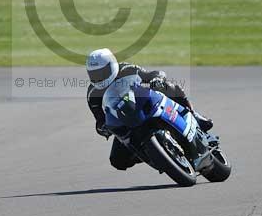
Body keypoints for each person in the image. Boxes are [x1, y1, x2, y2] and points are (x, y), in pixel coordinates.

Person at [85, 48, 213, 171]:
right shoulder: (92, 93)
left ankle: (193, 114)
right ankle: (151, 154)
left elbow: (152, 74)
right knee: (117, 161)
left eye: (101, 72)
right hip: (124, 120)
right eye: (94, 74)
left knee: (169, 87)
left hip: (143, 104)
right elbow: (99, 120)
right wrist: (103, 128)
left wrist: (156, 79)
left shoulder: (126, 68)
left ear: (111, 65)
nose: (98, 77)